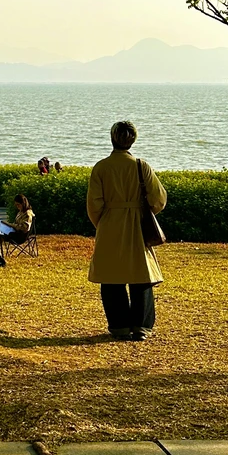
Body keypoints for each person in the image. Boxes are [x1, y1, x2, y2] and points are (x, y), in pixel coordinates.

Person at [86, 120, 167, 342]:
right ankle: (141, 326)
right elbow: (159, 199)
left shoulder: (101, 167)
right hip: (138, 224)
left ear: (112, 138)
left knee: (111, 277)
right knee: (140, 275)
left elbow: (94, 204)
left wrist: (103, 223)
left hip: (110, 223)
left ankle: (119, 326)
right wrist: (142, 211)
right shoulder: (142, 166)